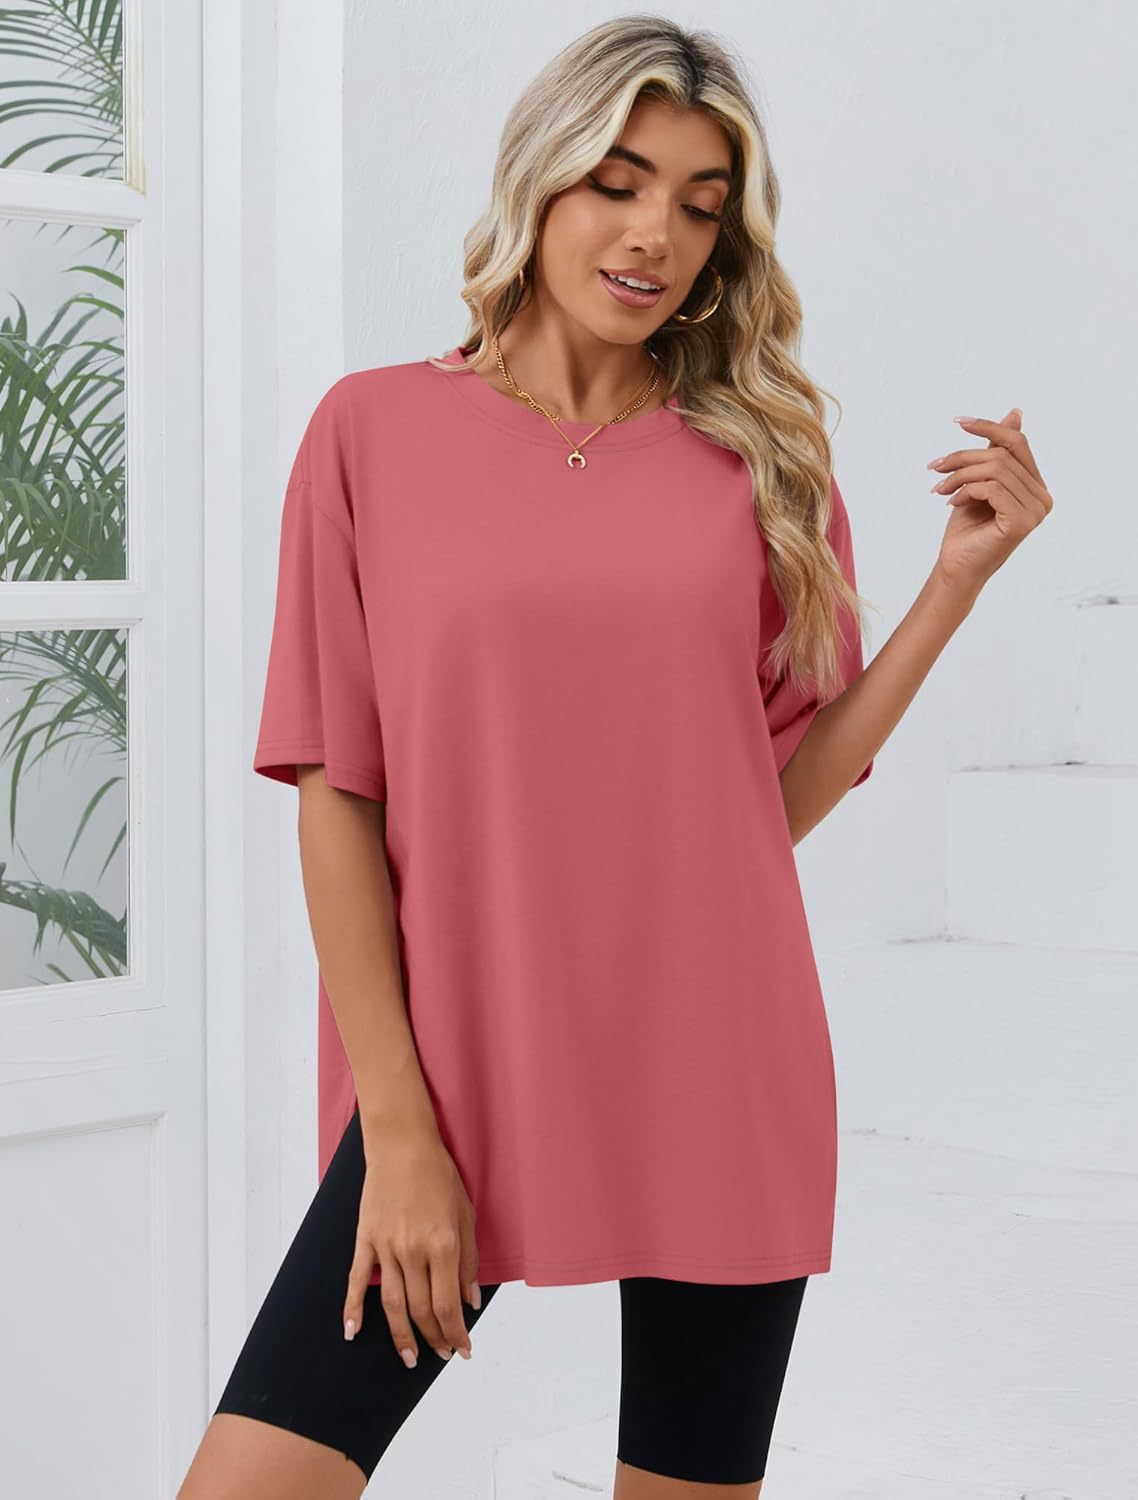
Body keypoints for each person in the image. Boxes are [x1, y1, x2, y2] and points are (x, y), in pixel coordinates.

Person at [178, 15, 1052, 1500]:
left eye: (702, 207)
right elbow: (338, 794)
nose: (656, 235)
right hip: (455, 1067)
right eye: (619, 182)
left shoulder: (762, 466)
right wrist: (397, 1126)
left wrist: (954, 586)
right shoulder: (372, 430)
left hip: (717, 1057)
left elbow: (764, 805)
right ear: (541, 179)